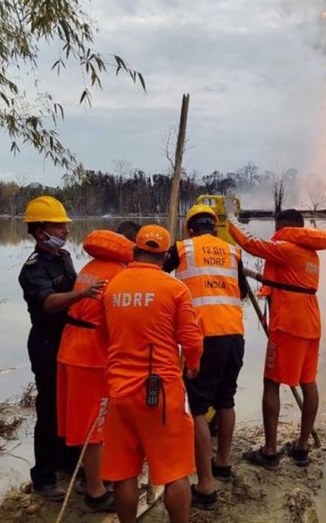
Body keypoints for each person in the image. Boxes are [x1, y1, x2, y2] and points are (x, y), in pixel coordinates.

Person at [102, 225, 203, 523]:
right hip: (161, 392)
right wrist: (193, 364)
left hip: (119, 391)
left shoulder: (114, 286)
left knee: (124, 472)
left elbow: (108, 335)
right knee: (175, 471)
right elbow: (192, 339)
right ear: (165, 256)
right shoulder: (175, 288)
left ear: (135, 250)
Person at [18, 195, 106, 501]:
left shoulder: (64, 258)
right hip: (46, 343)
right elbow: (49, 302)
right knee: (50, 409)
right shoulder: (32, 268)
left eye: (65, 226)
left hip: (69, 342)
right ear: (41, 231)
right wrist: (82, 296)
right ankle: (43, 477)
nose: (66, 231)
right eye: (59, 226)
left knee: (71, 406)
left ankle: (70, 462)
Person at [227, 208, 326, 468]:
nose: (275, 233)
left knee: (271, 382)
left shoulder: (286, 248)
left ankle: (270, 451)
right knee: (309, 382)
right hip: (311, 322)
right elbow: (287, 279)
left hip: (288, 325)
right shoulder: (311, 254)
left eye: (277, 227)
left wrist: (229, 220)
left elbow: (250, 243)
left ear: (287, 226)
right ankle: (301, 447)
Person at [163, 205, 247, 510]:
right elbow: (242, 295)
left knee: (197, 407)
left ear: (189, 228)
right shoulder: (232, 252)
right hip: (234, 335)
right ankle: (222, 461)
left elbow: (156, 278)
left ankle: (206, 485)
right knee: (226, 399)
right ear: (214, 226)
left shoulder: (181, 248)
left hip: (202, 337)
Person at [56, 228, 136, 512]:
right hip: (91, 357)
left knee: (82, 421)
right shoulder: (120, 275)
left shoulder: (91, 266)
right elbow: (122, 323)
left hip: (71, 348)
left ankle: (91, 477)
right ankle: (96, 492)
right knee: (95, 427)